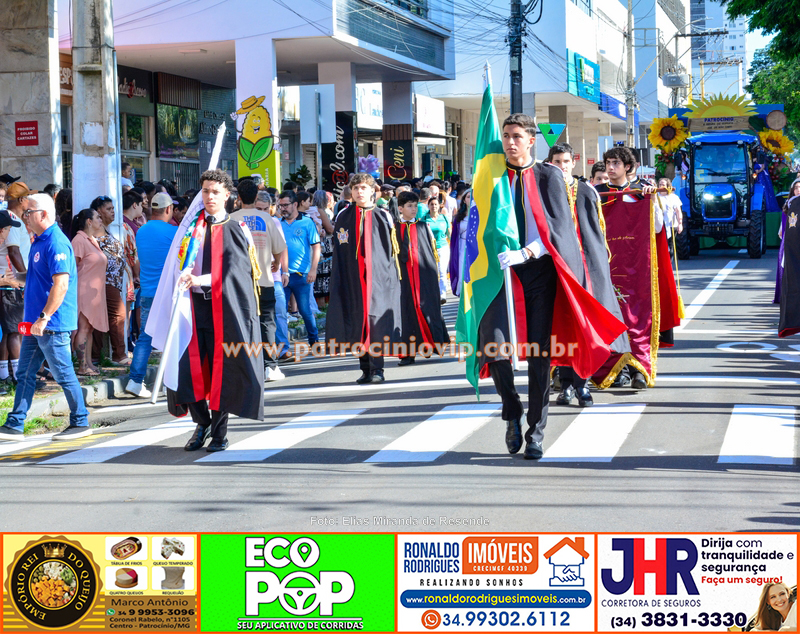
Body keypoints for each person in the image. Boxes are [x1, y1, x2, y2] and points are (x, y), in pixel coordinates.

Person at [482, 114, 625, 460]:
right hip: (501, 276)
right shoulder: (492, 175)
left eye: (517, 136)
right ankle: (511, 409)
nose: (510, 142)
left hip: (539, 273)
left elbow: (560, 232)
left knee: (539, 355)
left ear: (532, 140)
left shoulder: (550, 176)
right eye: (506, 136)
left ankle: (536, 431)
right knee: (495, 348)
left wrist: (527, 251)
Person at [146, 169, 264, 452]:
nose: (209, 196)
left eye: (215, 192)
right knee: (188, 370)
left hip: (223, 310)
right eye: (205, 191)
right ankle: (202, 424)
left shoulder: (236, 230)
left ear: (227, 196)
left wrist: (199, 279)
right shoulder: (191, 228)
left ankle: (219, 432)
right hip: (191, 308)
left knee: (221, 371)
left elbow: (236, 273)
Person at [0, 194, 90, 441]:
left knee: (63, 373)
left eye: (29, 212)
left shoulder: (56, 243)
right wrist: (15, 278)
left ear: (44, 214)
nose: (25, 216)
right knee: (26, 374)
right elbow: (36, 277)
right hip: (35, 324)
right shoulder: (40, 241)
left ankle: (81, 421)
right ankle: (15, 424)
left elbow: (60, 284)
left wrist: (44, 317)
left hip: (51, 324)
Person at [547, 143, 630, 407]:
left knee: (585, 329)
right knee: (561, 330)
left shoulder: (587, 191)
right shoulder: (543, 191)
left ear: (574, 163)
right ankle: (566, 384)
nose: (562, 166)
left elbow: (598, 232)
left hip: (586, 271)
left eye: (566, 161)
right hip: (556, 271)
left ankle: (581, 385)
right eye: (557, 161)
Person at [326, 172, 401, 384]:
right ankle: (365, 367)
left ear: (372, 191)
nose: (359, 192)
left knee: (375, 322)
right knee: (358, 321)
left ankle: (378, 369)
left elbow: (391, 251)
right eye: (356, 188)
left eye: (364, 188)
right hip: (353, 280)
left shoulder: (383, 215)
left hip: (377, 281)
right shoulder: (343, 216)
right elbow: (339, 249)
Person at [230, 178, 287, 382]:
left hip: (239, 283)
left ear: (238, 198)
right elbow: (279, 248)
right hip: (264, 279)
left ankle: (245, 366)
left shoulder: (230, 219)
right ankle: (270, 366)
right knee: (267, 323)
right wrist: (277, 264)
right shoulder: (266, 219)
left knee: (243, 323)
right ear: (256, 197)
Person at [124, 193, 178, 397]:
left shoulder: (142, 231)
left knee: (146, 337)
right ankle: (169, 383)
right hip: (168, 292)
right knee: (173, 336)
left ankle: (135, 380)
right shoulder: (174, 232)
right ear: (168, 210)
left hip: (147, 291)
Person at [396, 190, 448, 365]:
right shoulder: (394, 229)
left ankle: (431, 345)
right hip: (403, 278)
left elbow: (431, 254)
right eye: (409, 206)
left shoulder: (422, 226)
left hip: (423, 276)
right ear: (400, 208)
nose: (413, 209)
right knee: (406, 314)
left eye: (415, 206)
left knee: (427, 308)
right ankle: (408, 353)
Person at [90, 195, 129, 366]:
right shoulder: (91, 233)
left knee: (105, 317)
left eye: (113, 209)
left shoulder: (106, 230)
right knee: (117, 315)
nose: (113, 212)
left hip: (114, 281)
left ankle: (97, 356)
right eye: (109, 209)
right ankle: (118, 354)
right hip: (102, 281)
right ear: (98, 212)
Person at [279, 191, 320, 346]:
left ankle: (313, 340)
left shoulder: (307, 222)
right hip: (282, 274)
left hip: (301, 274)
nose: (282, 208)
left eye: (285, 205)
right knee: (280, 311)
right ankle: (282, 345)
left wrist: (313, 270)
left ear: (295, 204)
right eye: (280, 205)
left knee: (305, 310)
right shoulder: (278, 223)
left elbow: (316, 247)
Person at [0, 182, 31, 387]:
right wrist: (24, 279)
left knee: (10, 331)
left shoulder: (13, 219)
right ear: (21, 200)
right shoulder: (8, 218)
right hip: (11, 284)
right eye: (28, 197)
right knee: (14, 331)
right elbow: (14, 251)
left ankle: (6, 375)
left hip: (10, 282)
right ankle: (19, 377)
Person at [71, 209, 108, 376]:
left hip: (95, 293)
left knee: (90, 328)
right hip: (84, 291)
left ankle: (88, 363)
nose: (101, 220)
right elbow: (72, 268)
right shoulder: (79, 240)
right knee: (83, 328)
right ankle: (81, 366)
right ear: (88, 221)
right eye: (97, 217)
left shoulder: (92, 240)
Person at [306, 190, 335, 307]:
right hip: (324, 244)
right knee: (323, 274)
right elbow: (330, 229)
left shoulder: (310, 209)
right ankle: (322, 303)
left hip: (312, 245)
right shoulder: (320, 210)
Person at [421, 195, 451, 302]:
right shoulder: (424, 219)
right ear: (428, 206)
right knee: (431, 271)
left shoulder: (444, 218)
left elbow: (449, 233)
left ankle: (442, 294)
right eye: (431, 204)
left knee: (442, 271)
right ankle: (432, 293)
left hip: (442, 247)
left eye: (435, 204)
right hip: (429, 248)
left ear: (439, 206)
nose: (434, 206)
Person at [775, 179, 800, 304]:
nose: (798, 190)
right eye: (796, 188)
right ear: (792, 190)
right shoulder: (788, 204)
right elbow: (784, 225)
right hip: (790, 240)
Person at [448, 189, 471, 297]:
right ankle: (462, 294)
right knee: (462, 269)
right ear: (464, 200)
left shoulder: (481, 215)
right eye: (468, 197)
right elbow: (454, 236)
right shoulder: (459, 217)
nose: (471, 199)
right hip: (462, 247)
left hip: (475, 247)